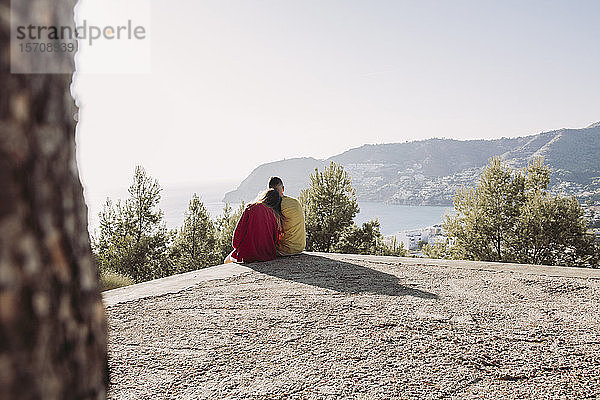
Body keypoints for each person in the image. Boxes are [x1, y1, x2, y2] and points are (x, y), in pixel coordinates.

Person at [224, 188, 282, 263]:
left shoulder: (251, 208)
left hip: (248, 255)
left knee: (226, 261)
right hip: (268, 255)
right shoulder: (275, 216)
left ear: (264, 196)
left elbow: (237, 236)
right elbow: (276, 239)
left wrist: (238, 248)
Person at [268, 176, 306, 255]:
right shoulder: (295, 202)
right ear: (283, 189)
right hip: (300, 247)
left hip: (284, 250)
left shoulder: (275, 205)